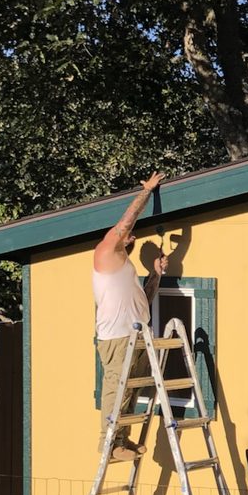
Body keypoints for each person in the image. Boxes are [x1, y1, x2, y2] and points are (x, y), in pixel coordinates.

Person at [93, 171, 168, 461]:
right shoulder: (105, 252)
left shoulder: (125, 270)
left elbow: (143, 302)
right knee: (116, 388)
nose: (132, 237)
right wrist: (147, 191)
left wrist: (156, 275)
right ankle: (108, 446)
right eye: (129, 237)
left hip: (135, 333)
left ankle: (121, 439)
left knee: (131, 391)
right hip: (117, 338)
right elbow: (126, 221)